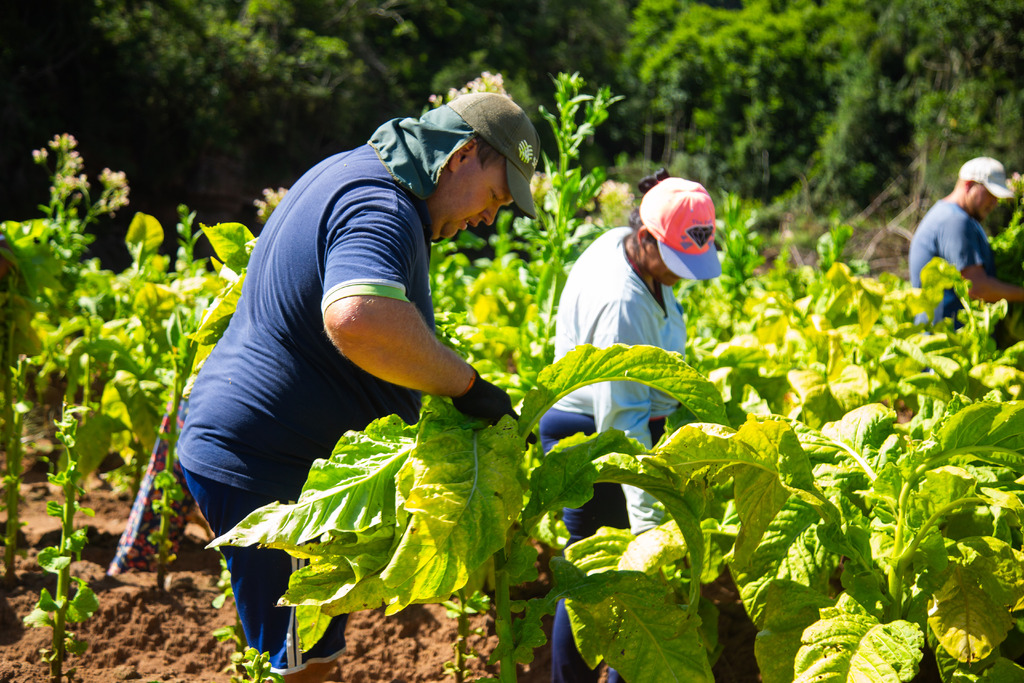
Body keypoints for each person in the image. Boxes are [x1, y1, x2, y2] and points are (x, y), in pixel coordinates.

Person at [177, 92, 540, 683]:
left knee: (306, 654)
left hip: (273, 458)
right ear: (464, 155)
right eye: (496, 197)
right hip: (267, 464)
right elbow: (358, 317)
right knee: (298, 665)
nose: (489, 219)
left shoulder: (356, 171)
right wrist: (467, 386)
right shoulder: (382, 204)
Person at [539, 172, 721, 683]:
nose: (682, 276)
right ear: (644, 237)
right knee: (607, 573)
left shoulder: (624, 248)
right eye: (676, 262)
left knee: (602, 572)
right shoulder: (622, 304)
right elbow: (624, 428)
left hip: (617, 424)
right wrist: (647, 524)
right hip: (596, 439)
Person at [908, 156, 1024, 325]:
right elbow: (977, 288)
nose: (995, 202)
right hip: (945, 342)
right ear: (969, 185)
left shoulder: (959, 217)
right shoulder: (954, 221)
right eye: (990, 193)